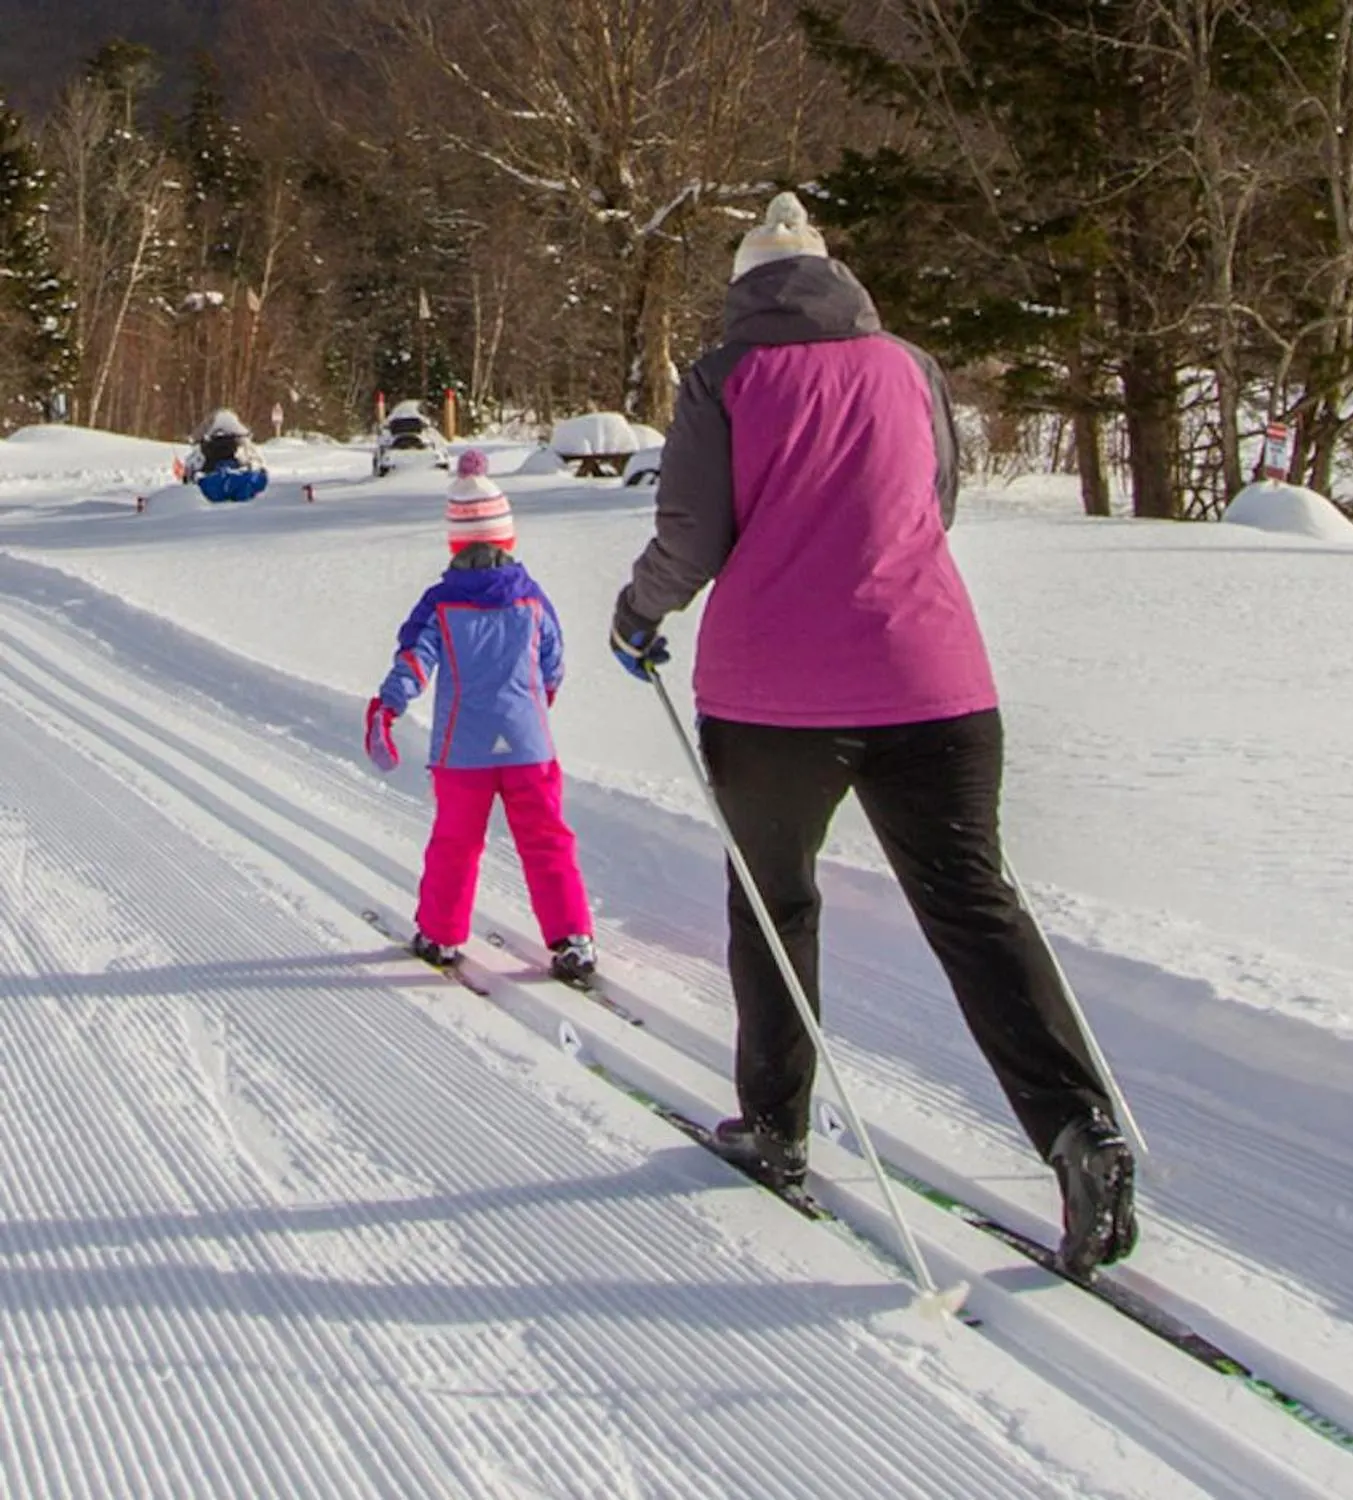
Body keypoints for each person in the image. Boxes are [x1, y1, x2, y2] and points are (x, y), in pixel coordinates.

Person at [608, 192, 1137, 1277]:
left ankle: (776, 1126)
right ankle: (1078, 1129)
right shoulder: (908, 365)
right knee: (974, 908)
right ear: (837, 279)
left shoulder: (721, 378)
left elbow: (693, 535)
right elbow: (935, 501)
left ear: (744, 287)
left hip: (771, 699)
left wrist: (637, 612)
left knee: (773, 899)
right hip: (932, 680)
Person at [367, 450, 599, 986]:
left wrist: (389, 706)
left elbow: (414, 659)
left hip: (462, 751)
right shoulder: (532, 598)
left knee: (456, 842)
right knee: (546, 839)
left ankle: (442, 935)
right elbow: (554, 662)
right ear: (507, 538)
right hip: (528, 746)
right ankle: (572, 937)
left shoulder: (440, 603)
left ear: (454, 541)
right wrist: (536, 707)